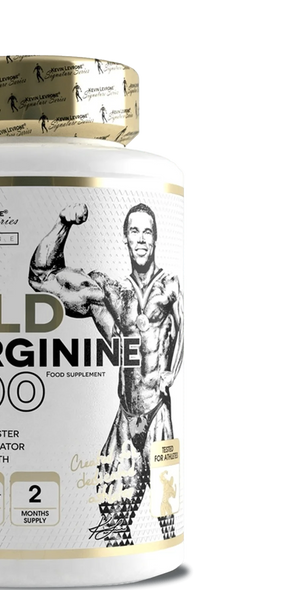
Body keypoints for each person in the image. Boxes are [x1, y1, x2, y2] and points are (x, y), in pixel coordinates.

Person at [29, 202, 184, 545]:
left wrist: (171, 373)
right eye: (134, 231)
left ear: (156, 238)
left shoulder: (171, 286)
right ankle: (122, 562)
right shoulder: (111, 294)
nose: (140, 238)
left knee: (167, 514)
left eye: (147, 231)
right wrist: (63, 223)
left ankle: (162, 556)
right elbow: (41, 278)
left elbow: (184, 330)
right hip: (126, 415)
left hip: (157, 413)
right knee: (110, 510)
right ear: (125, 237)